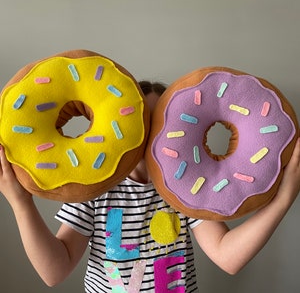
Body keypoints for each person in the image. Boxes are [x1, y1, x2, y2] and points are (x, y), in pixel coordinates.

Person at [0, 80, 299, 292]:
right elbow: (55, 271)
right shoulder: (95, 188)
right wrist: (20, 202)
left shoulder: (186, 188)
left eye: (165, 124)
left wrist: (283, 199)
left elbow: (228, 257)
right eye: (145, 122)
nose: (155, 136)